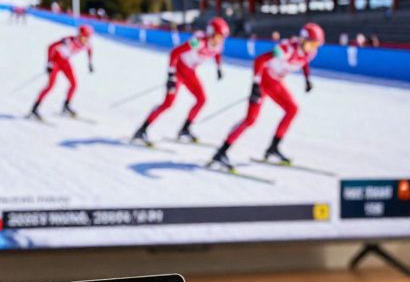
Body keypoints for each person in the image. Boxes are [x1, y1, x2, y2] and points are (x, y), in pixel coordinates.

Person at [207, 22, 323, 170]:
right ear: (302, 39)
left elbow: (304, 61)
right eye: (312, 44)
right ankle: (221, 153)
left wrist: (307, 78)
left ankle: (273, 148)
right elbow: (259, 60)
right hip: (264, 81)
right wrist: (255, 85)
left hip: (276, 83)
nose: (314, 48)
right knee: (250, 119)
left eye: (316, 44)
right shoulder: (286, 49)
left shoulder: (310, 52)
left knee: (292, 109)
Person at [131, 17, 229, 145]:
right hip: (178, 70)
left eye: (223, 37)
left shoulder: (218, 45)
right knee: (168, 103)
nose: (221, 39)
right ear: (211, 32)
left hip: (190, 73)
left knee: (202, 99)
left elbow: (217, 53)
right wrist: (171, 75)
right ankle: (142, 130)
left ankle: (185, 129)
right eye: (219, 36)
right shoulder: (198, 41)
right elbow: (174, 53)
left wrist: (218, 67)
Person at [29, 24, 94, 119]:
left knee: (74, 84)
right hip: (56, 61)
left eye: (88, 37)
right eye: (84, 37)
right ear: (79, 35)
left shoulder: (87, 43)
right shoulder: (68, 40)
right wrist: (49, 63)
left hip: (65, 62)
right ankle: (34, 109)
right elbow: (50, 46)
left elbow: (89, 50)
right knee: (50, 86)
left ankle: (66, 106)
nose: (86, 39)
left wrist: (90, 63)